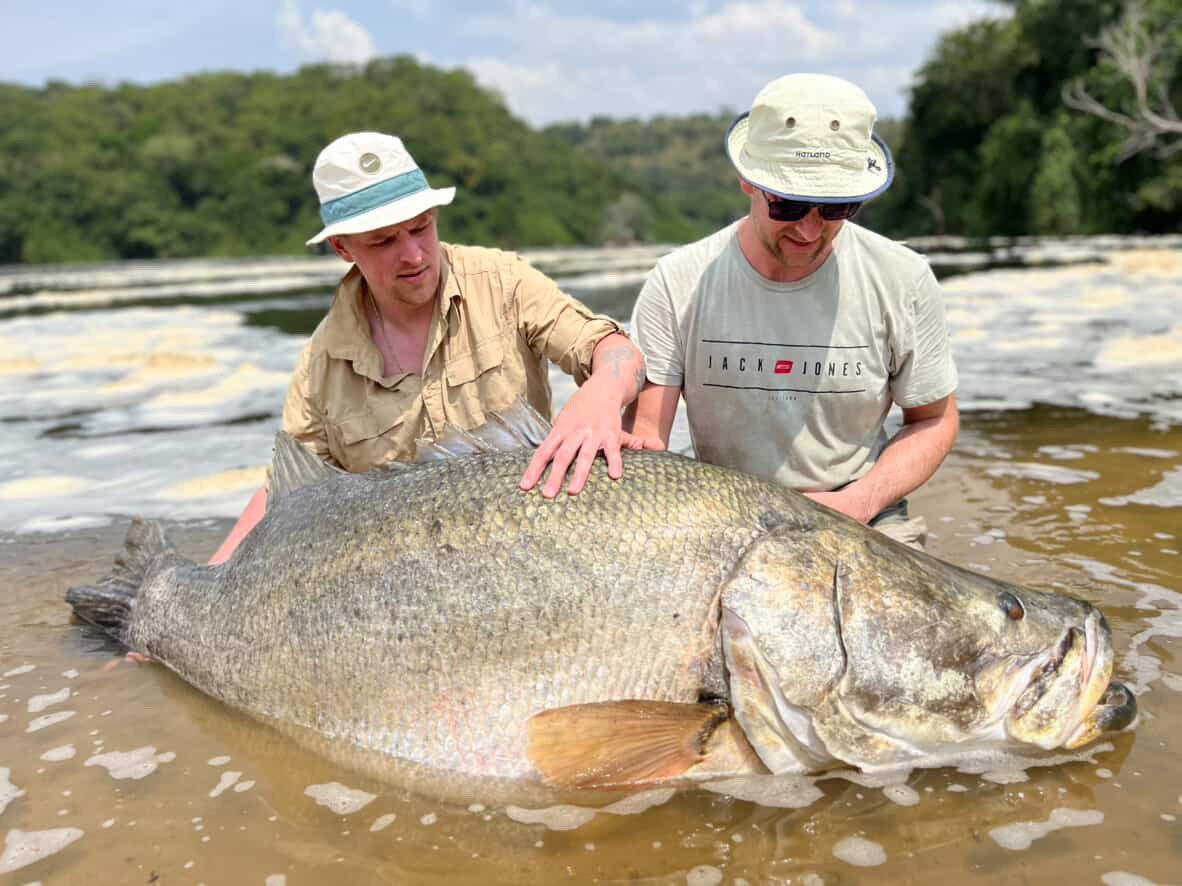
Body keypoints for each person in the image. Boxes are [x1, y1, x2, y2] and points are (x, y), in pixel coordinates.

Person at [211, 132, 654, 564]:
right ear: (342, 247)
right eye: (384, 241)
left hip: (532, 549)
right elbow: (289, 492)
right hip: (404, 572)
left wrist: (601, 393)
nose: (414, 255)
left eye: (420, 227)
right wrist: (213, 577)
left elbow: (617, 352)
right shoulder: (320, 364)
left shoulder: (504, 282)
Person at [626, 74, 958, 542]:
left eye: (836, 209)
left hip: (863, 514)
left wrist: (859, 502)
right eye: (789, 206)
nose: (809, 230)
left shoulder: (904, 279)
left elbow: (935, 419)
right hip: (724, 518)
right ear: (747, 180)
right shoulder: (677, 282)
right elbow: (646, 439)